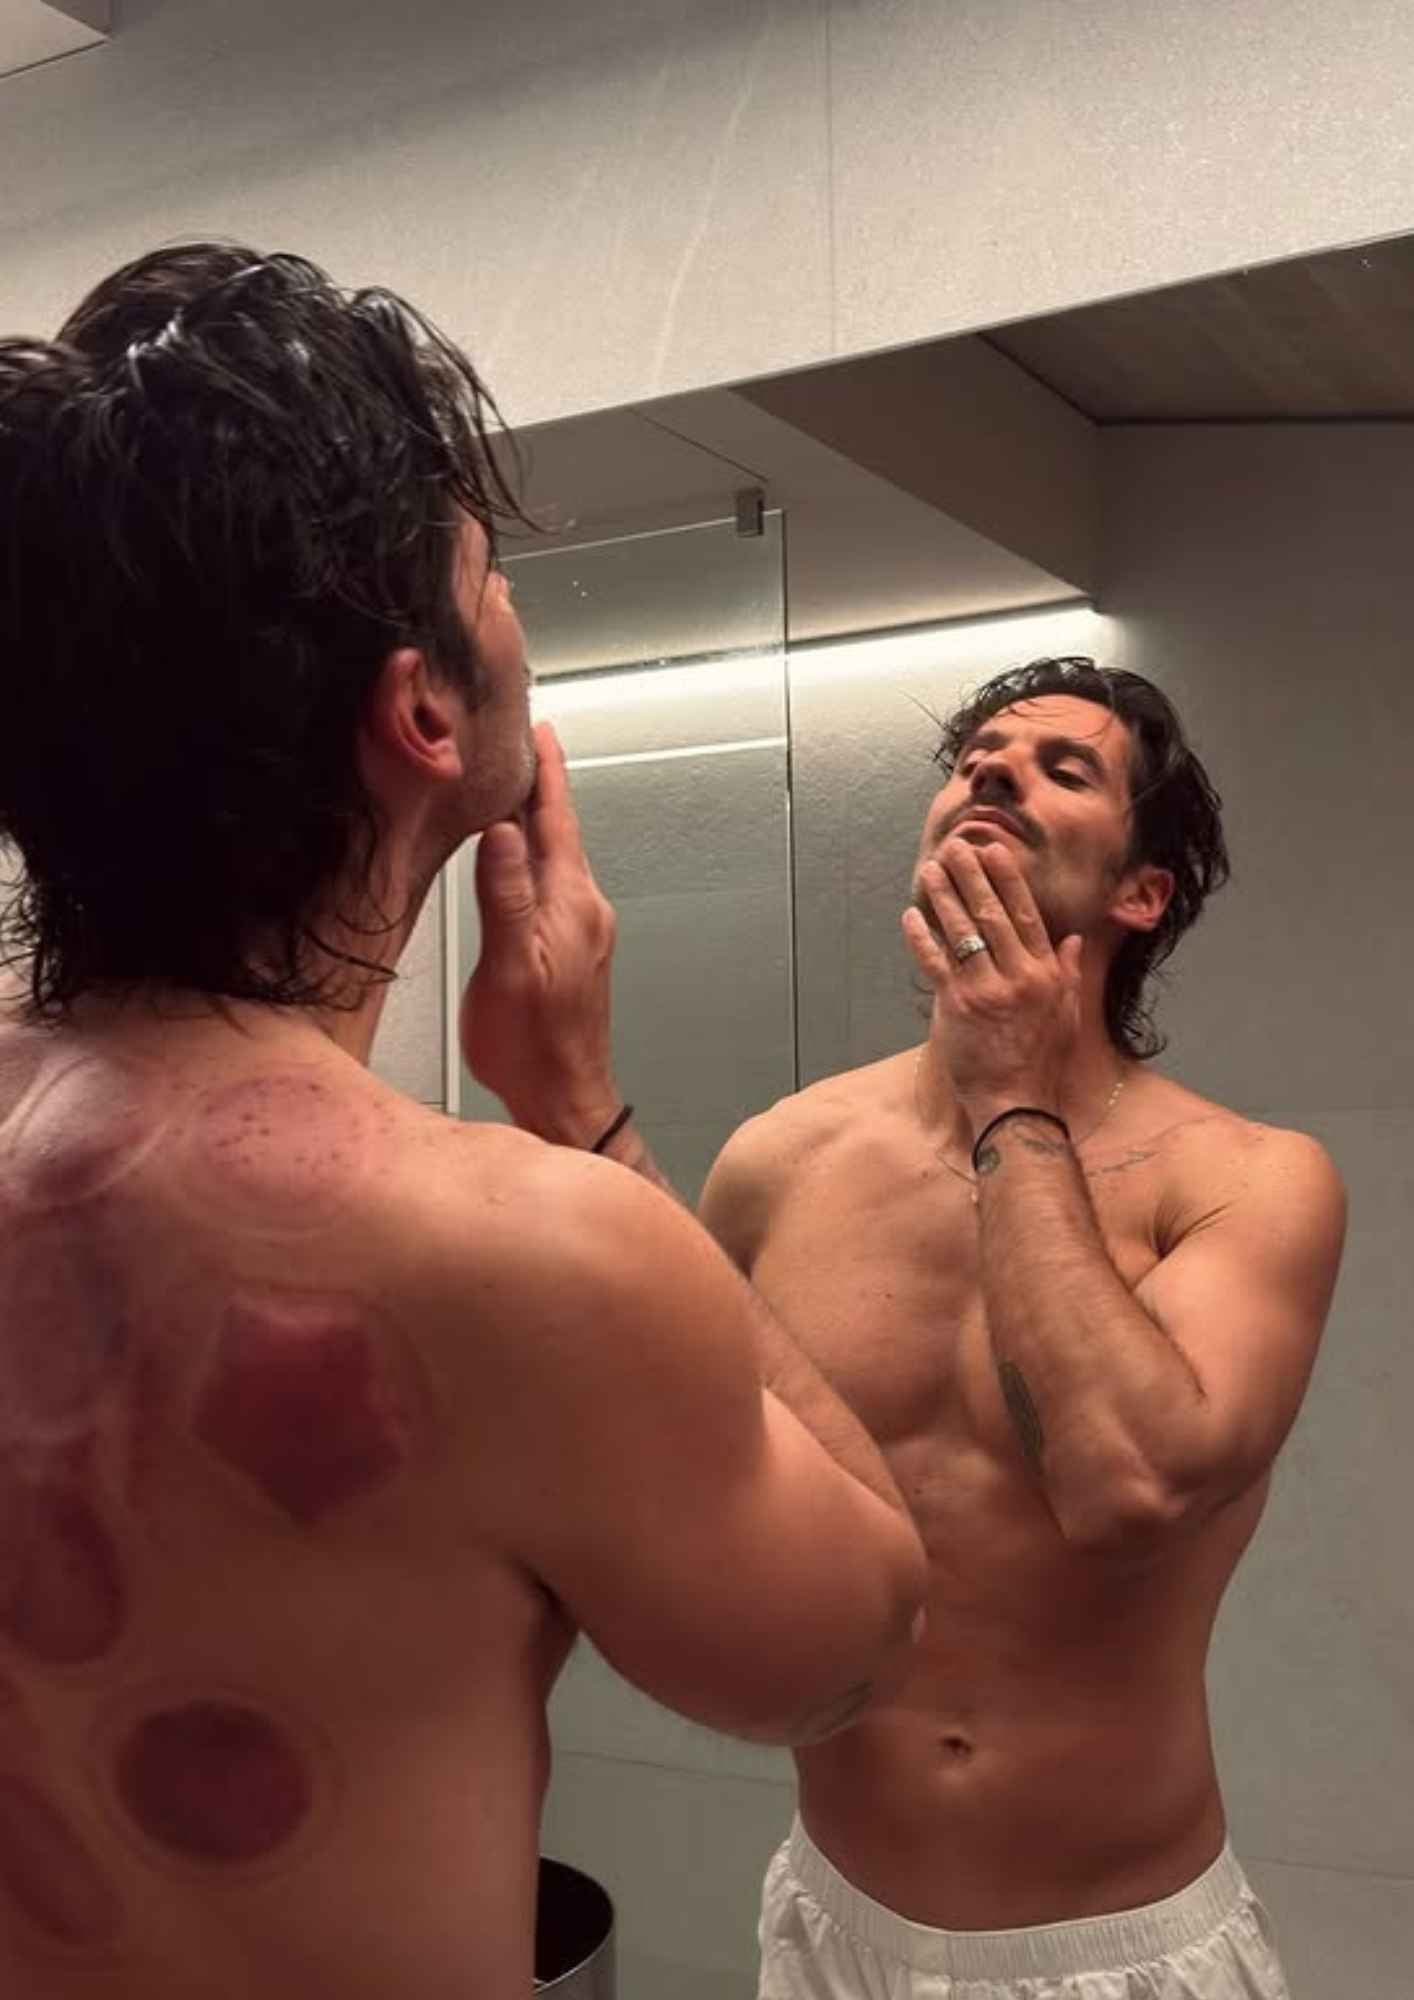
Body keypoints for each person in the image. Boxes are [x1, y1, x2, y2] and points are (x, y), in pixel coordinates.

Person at [0, 243, 927, 2000]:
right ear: (422, 711)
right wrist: (578, 1106)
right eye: (491, 580)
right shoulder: (517, 1251)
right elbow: (850, 1643)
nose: (513, 619)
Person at [511, 657, 1345, 2000]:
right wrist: (574, 1104)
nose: (994, 770)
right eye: (974, 759)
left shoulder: (1248, 1181)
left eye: (1063, 769)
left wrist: (1010, 1093)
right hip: (831, 1926)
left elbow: (1128, 1485)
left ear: (1140, 894)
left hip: (1114, 1953)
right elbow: (695, 1431)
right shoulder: (785, 1155)